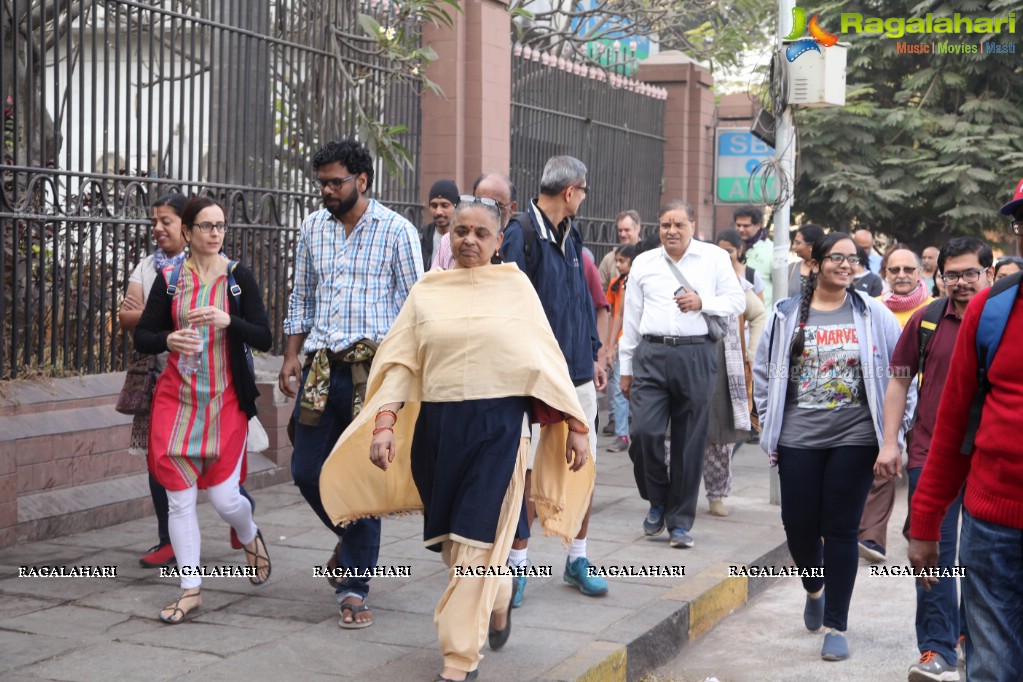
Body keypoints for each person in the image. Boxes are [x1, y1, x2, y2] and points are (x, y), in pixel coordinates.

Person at [318, 197, 595, 682]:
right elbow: (401, 361)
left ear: (498, 239)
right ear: (449, 236)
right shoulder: (427, 292)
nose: (468, 239)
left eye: (480, 233)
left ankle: (458, 658)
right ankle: (501, 592)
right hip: (439, 433)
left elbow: (545, 359)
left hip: (501, 431)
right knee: (456, 546)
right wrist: (384, 424)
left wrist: (576, 426)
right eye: (460, 231)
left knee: (475, 541)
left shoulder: (517, 290)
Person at [278, 139, 422, 629]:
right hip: (320, 366)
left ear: (362, 180)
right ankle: (348, 537)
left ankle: (355, 588)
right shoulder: (313, 227)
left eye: (335, 181)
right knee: (304, 469)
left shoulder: (397, 231)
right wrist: (292, 355)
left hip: (372, 374)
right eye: (321, 182)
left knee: (363, 478)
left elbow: (414, 310)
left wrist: (404, 380)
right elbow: (303, 294)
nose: (326, 190)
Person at [753, 232, 903, 661]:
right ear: (815, 264)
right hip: (798, 437)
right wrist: (769, 418)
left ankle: (837, 623)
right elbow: (765, 371)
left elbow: (899, 373)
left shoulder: (874, 314)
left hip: (854, 438)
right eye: (836, 257)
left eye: (852, 259)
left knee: (840, 529)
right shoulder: (785, 315)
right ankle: (814, 587)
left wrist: (894, 434)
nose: (845, 264)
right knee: (798, 525)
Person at [135, 196, 273, 623]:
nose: (215, 233)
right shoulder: (170, 278)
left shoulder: (238, 278)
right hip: (177, 400)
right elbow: (143, 335)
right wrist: (168, 340)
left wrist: (229, 321)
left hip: (225, 399)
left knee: (224, 497)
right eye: (206, 226)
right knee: (179, 500)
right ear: (189, 232)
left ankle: (248, 533)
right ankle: (189, 589)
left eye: (221, 226)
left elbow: (265, 336)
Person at [909, 178, 1023, 682]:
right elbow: (954, 423)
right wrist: (926, 521)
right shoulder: (991, 310)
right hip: (994, 525)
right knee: (993, 664)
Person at [874, 237, 993, 680]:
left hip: (989, 458)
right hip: (931, 452)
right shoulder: (924, 321)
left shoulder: (1000, 320)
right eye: (953, 274)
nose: (962, 283)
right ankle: (936, 650)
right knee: (931, 552)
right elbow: (899, 381)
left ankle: (972, 642)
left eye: (971, 274)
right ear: (940, 277)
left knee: (982, 557)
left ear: (988, 273)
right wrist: (891, 442)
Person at [499, 155, 608, 604]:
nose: (583, 198)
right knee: (524, 472)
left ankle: (577, 558)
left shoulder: (571, 233)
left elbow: (580, 300)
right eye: (583, 191)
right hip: (531, 376)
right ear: (570, 192)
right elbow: (510, 306)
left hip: (577, 372)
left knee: (583, 468)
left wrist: (594, 354)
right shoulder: (520, 234)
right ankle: (517, 568)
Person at [620, 200, 745, 548]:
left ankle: (679, 522)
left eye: (678, 224)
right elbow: (631, 318)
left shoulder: (714, 259)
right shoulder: (644, 262)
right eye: (665, 225)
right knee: (644, 433)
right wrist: (626, 367)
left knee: (691, 442)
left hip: (696, 354)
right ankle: (657, 498)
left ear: (693, 226)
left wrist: (702, 302)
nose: (671, 231)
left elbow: (737, 301)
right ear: (657, 228)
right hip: (651, 354)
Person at [857, 246, 933, 563]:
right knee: (884, 465)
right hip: (887, 401)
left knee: (923, 473)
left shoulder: (935, 310)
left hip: (930, 404)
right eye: (894, 270)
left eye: (908, 270)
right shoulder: (870, 310)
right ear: (884, 274)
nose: (901, 276)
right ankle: (872, 537)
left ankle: (918, 528)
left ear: (919, 274)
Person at [702, 229, 766, 517]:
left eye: (728, 251)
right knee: (672, 437)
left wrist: (750, 353)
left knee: (719, 435)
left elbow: (759, 315)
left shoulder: (739, 286)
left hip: (724, 369)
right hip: (684, 366)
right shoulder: (691, 282)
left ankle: (716, 496)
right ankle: (673, 496)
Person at [433, 173, 517, 270]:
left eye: (497, 205)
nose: (469, 241)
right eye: (480, 202)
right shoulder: (448, 240)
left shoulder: (516, 238)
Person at [604, 243, 637, 453]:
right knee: (618, 389)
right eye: (616, 260)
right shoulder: (617, 284)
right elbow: (614, 314)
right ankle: (622, 434)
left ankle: (630, 431)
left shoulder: (635, 282)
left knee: (628, 389)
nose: (618, 264)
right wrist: (609, 345)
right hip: (622, 342)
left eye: (622, 261)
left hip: (634, 343)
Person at [733, 204, 774, 308]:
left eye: (746, 226)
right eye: (738, 225)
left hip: (763, 316)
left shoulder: (771, 250)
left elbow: (781, 286)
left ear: (758, 226)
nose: (741, 229)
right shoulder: (729, 248)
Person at [717, 228, 766, 302]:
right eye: (721, 252)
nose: (725, 255)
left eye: (729, 251)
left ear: (740, 250)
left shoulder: (752, 275)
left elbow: (760, 309)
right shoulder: (715, 273)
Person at [419, 179, 459, 270]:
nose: (438, 212)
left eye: (445, 205)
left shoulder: (464, 238)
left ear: (456, 206)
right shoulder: (420, 238)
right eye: (434, 206)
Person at [598, 210, 642, 292]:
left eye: (627, 230)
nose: (622, 234)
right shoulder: (609, 259)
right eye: (620, 230)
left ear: (638, 228)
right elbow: (599, 290)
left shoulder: (648, 255)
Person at [788, 224, 826, 297]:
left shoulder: (828, 270)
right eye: (794, 242)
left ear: (811, 246)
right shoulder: (791, 269)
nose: (793, 246)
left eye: (797, 243)